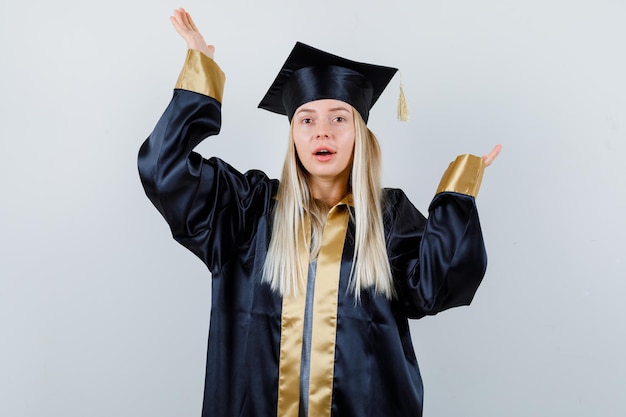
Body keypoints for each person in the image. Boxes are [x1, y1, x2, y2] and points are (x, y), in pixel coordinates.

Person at [138, 8, 501, 417]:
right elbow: (162, 170)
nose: (321, 131)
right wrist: (200, 71)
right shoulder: (246, 209)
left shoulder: (389, 217)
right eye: (306, 119)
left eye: (339, 118)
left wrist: (457, 195)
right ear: (293, 134)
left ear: (360, 135)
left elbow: (437, 288)